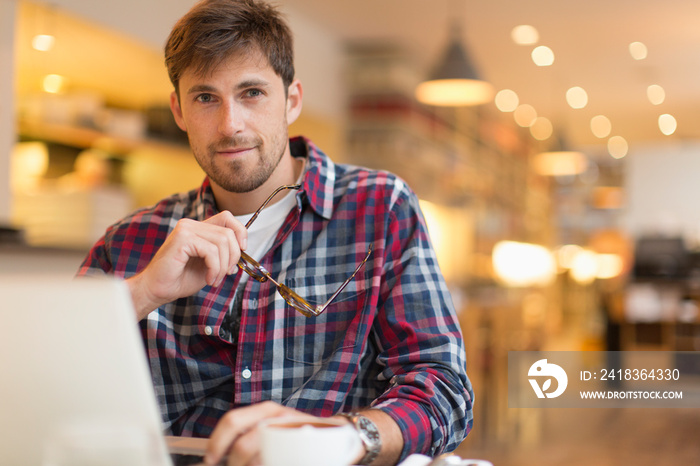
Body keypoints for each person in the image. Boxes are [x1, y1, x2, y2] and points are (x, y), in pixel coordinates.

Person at [77, 1, 474, 465]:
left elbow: (444, 390)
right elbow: (35, 380)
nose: (230, 125)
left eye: (252, 93)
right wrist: (142, 292)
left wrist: (347, 436)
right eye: (206, 98)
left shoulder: (378, 207)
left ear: (292, 100)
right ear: (179, 110)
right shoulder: (130, 242)